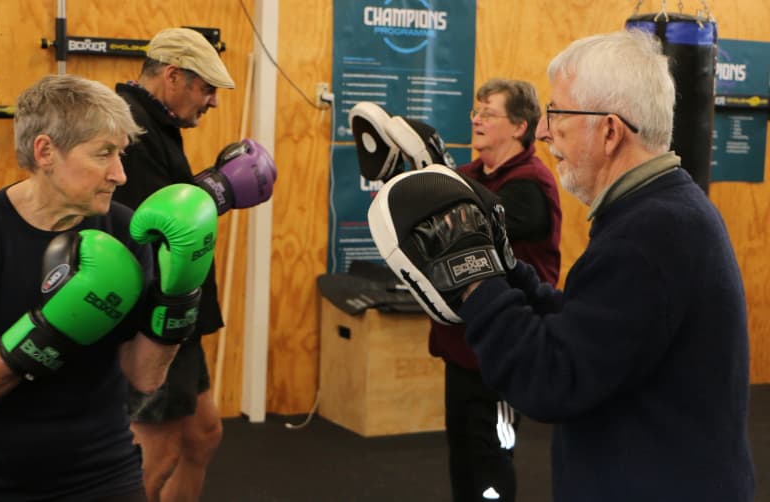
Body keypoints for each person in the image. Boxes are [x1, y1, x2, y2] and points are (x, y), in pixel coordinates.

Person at [369, 28, 755, 501]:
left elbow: (551, 379)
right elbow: (588, 334)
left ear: (610, 130)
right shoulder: (663, 212)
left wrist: (476, 281)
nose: (547, 130)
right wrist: (508, 270)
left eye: (559, 114)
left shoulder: (648, 236)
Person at [0, 74, 215, 501]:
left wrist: (178, 298)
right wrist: (51, 332)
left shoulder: (123, 227)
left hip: (104, 468)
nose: (119, 174)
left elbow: (143, 377)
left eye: (120, 154)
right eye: (104, 154)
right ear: (45, 152)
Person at [113, 27, 275, 502]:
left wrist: (206, 187)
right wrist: (216, 191)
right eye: (206, 89)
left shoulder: (155, 126)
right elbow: (145, 225)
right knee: (156, 455)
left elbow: (160, 201)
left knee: (202, 436)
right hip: (155, 316)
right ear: (172, 76)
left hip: (181, 311)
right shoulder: (131, 130)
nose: (212, 103)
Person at [429, 79, 561, 502]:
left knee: (491, 460)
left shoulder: (528, 187)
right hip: (461, 347)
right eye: (476, 111)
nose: (476, 119)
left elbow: (478, 222)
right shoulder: (467, 177)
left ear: (520, 126)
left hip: (503, 354)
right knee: (462, 456)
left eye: (489, 113)